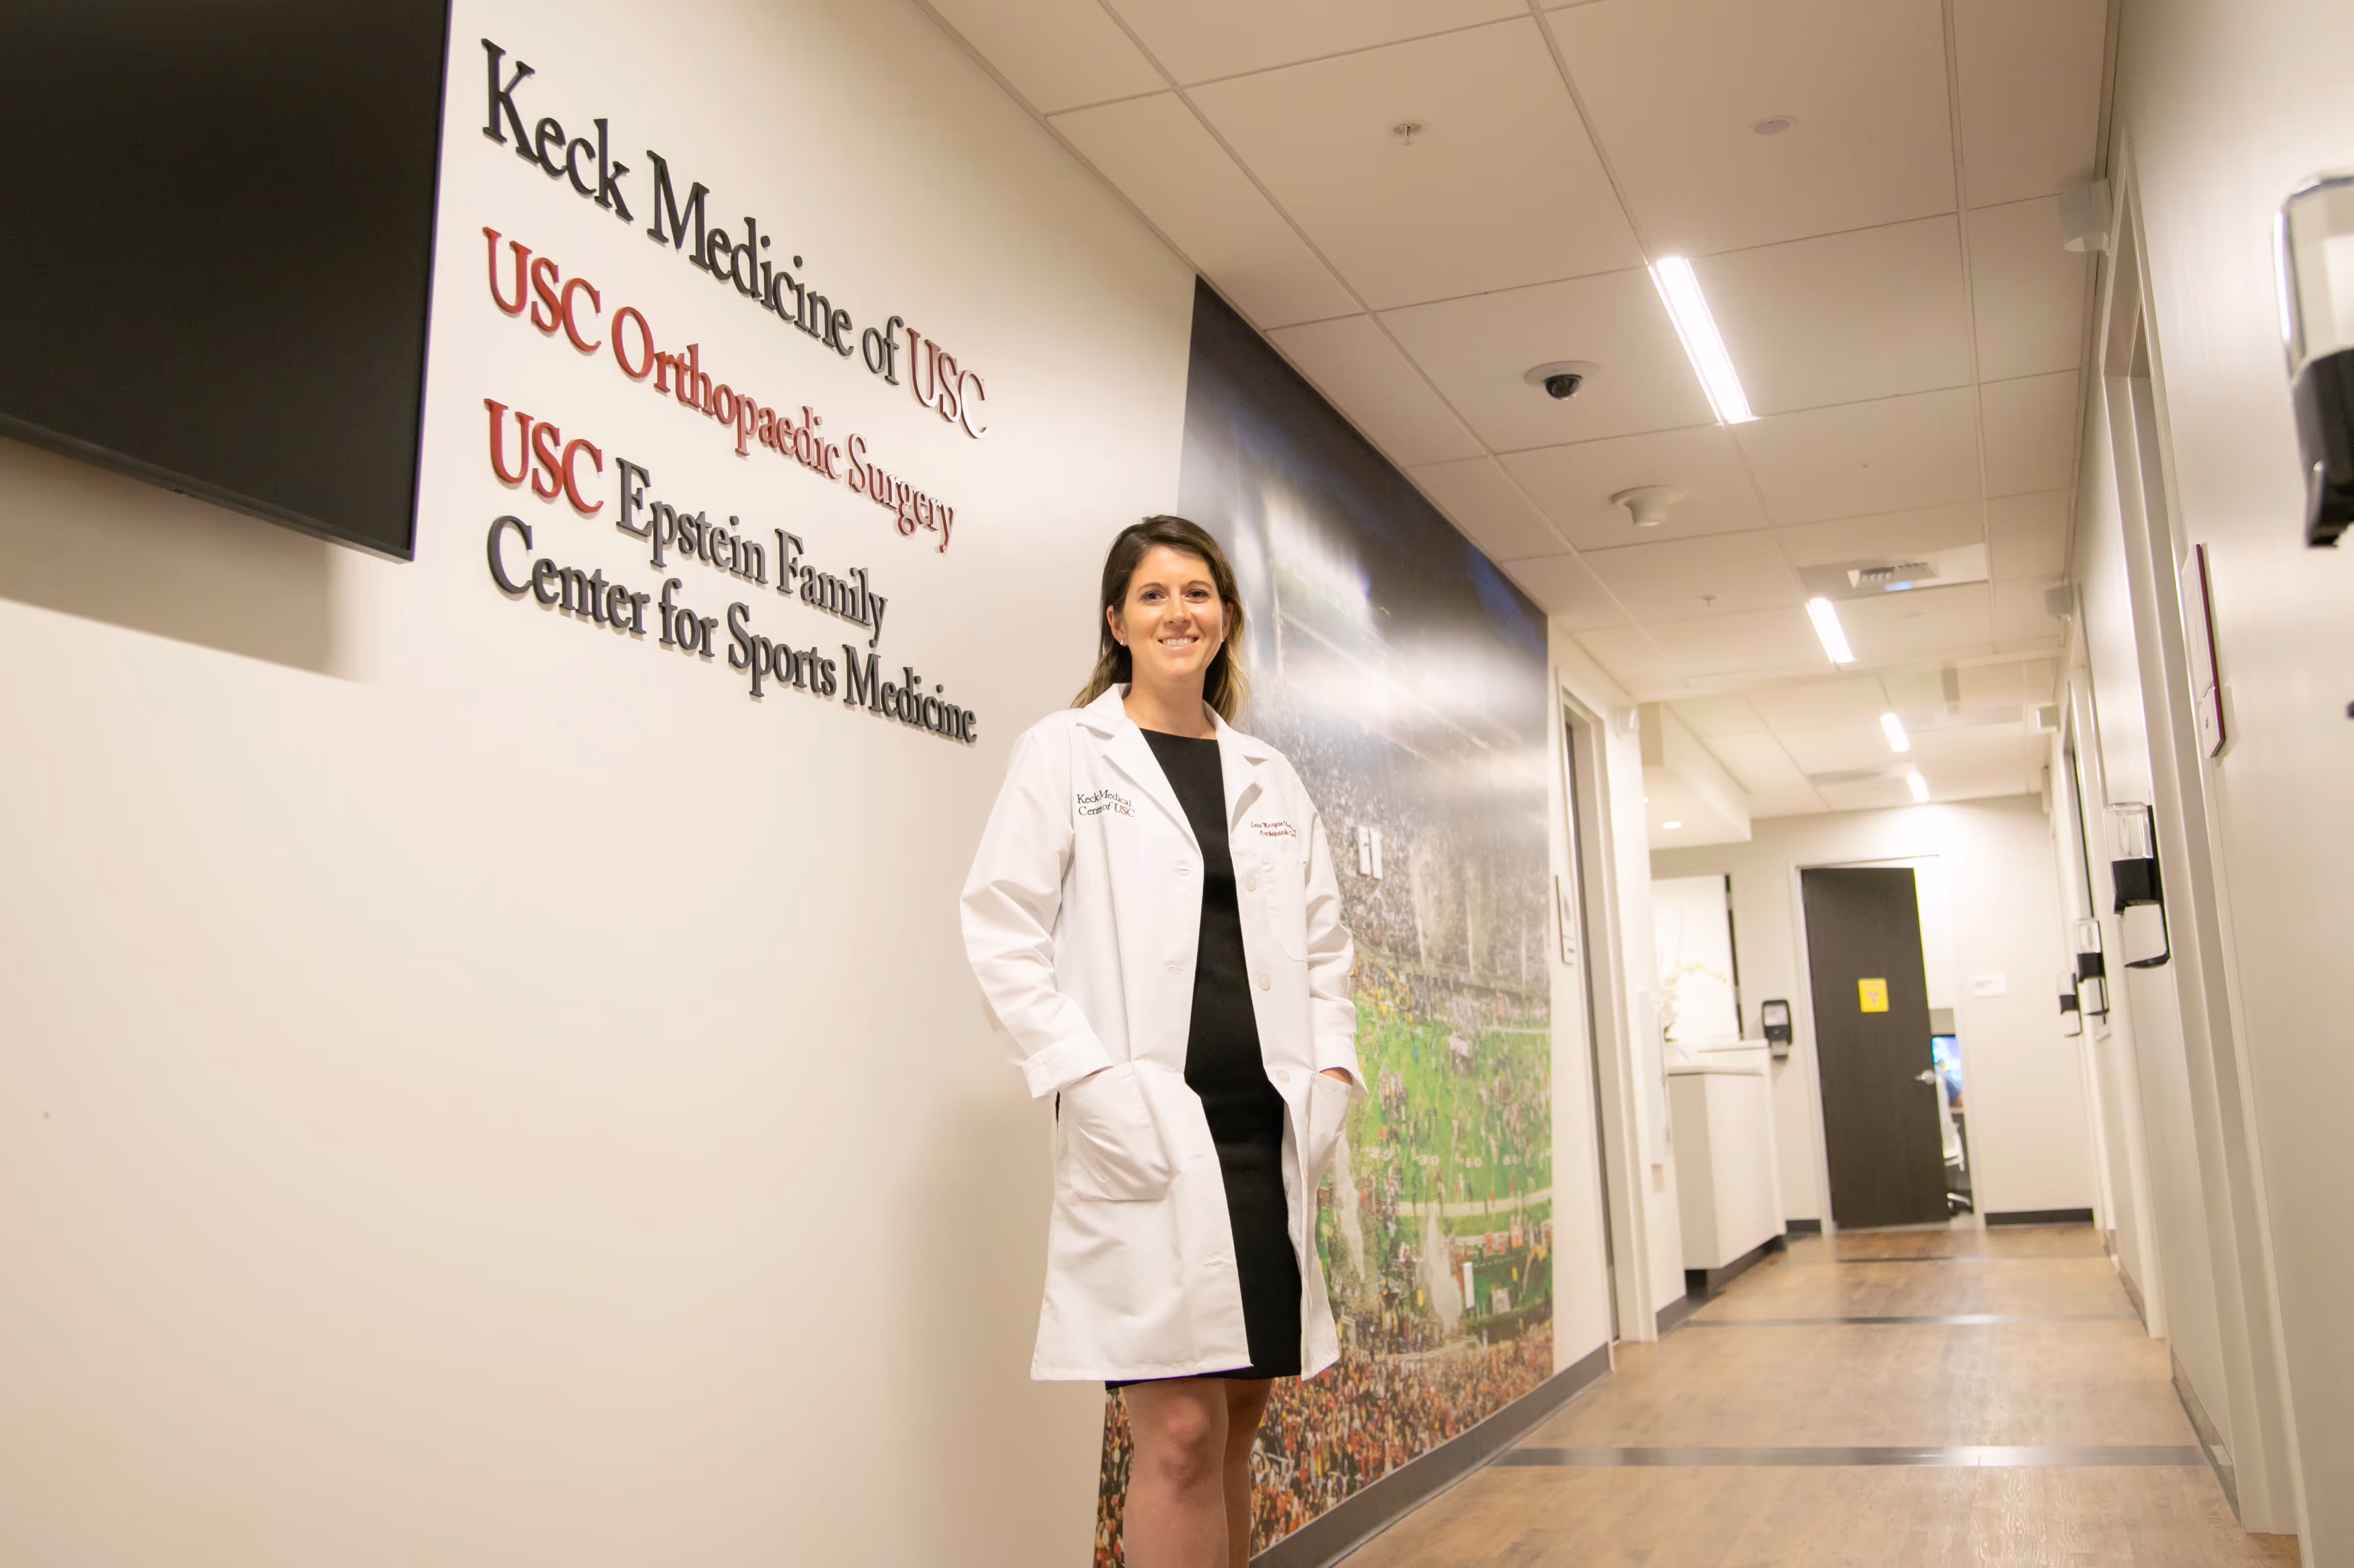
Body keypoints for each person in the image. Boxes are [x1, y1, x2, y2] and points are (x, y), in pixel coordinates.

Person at [961, 516, 1364, 1568]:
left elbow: (1326, 945)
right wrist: (1082, 1076)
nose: (1177, 611)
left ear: (1225, 618)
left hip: (1260, 1131)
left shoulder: (1269, 775)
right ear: (1116, 621)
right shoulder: (1063, 752)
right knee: (1177, 1435)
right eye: (1152, 594)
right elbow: (999, 927)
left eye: (1197, 592)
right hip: (1142, 1127)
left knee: (1234, 1421)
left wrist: (1329, 1069)